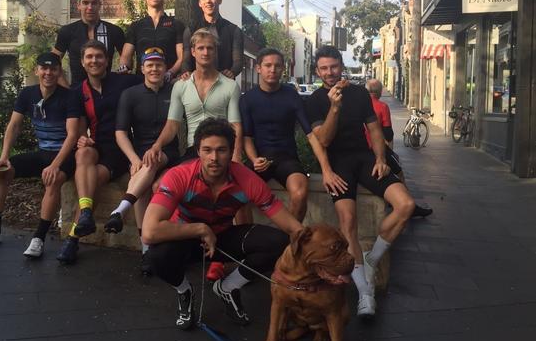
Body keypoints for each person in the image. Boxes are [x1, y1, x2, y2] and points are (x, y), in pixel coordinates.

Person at [142, 118, 304, 329]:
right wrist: (200, 229)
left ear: (231, 151)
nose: (214, 158)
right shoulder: (179, 176)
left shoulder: (247, 179)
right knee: (156, 256)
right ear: (198, 151)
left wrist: (318, 249)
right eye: (207, 150)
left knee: (280, 242)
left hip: (222, 237)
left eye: (221, 150)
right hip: (184, 238)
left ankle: (228, 287)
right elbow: (149, 231)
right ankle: (184, 291)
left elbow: (291, 226)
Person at [306, 46, 414, 319]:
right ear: (317, 71)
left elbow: (374, 129)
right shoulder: (316, 100)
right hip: (339, 163)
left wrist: (380, 158)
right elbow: (325, 140)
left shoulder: (360, 93)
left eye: (333, 66)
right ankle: (365, 293)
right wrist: (334, 107)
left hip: (364, 159)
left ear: (341, 66)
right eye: (324, 68)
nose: (330, 73)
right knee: (348, 223)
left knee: (406, 205)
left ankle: (372, 259)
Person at [0, 53, 79, 257]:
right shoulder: (28, 94)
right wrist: (4, 157)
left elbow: (72, 136)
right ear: (36, 71)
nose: (48, 73)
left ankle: (39, 238)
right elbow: (14, 125)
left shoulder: (70, 96)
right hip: (42, 153)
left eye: (53, 69)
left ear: (59, 72)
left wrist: (55, 165)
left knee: (52, 180)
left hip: (65, 155)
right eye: (44, 68)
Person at [56, 40, 141, 264]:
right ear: (83, 62)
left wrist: (180, 76)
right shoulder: (77, 91)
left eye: (99, 56)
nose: (94, 61)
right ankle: (85, 214)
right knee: (82, 154)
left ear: (107, 60)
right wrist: (82, 136)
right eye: (89, 57)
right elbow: (76, 125)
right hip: (93, 145)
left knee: (92, 181)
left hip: (118, 148)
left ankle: (73, 238)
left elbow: (153, 75)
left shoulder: (123, 82)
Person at [104, 47, 180, 274]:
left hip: (169, 152)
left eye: (159, 64)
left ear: (165, 68)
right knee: (143, 187)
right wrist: (133, 158)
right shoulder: (130, 94)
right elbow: (120, 133)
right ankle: (146, 250)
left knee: (151, 161)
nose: (154, 69)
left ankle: (120, 209)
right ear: (142, 68)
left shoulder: (174, 91)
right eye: (150, 64)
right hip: (139, 154)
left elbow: (174, 126)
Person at [240, 48, 321, 222]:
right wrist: (254, 159)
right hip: (259, 159)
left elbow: (310, 135)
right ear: (258, 68)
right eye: (268, 65)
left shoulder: (292, 95)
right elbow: (247, 138)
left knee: (299, 194)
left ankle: (289, 241)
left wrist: (326, 169)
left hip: (287, 159)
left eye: (277, 66)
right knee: (238, 195)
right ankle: (245, 240)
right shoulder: (248, 99)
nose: (272, 70)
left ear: (283, 69)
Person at [143, 28, 243, 166]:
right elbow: (172, 125)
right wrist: (157, 145)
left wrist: (236, 157)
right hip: (193, 152)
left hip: (220, 151)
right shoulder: (181, 86)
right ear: (193, 52)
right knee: (160, 184)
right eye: (201, 48)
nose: (206, 52)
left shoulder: (230, 86)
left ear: (215, 52)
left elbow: (235, 125)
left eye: (210, 48)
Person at [365, 79, 432, 218]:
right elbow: (388, 132)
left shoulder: (360, 105)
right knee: (399, 172)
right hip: (377, 148)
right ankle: (410, 207)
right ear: (379, 92)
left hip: (361, 149)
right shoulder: (382, 106)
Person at [52, 0, 126, 87]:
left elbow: (127, 59)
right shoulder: (67, 31)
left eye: (94, 3)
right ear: (78, 5)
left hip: (107, 92)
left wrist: (120, 81)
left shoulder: (114, 31)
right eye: (85, 3)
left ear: (100, 5)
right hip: (77, 93)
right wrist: (67, 90)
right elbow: (53, 62)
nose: (90, 7)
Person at [119, 0, 185, 79]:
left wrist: (170, 73)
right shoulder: (136, 26)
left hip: (169, 82)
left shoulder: (176, 24)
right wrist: (124, 68)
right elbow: (125, 56)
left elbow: (182, 57)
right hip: (141, 82)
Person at [182, 0, 244, 79]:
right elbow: (186, 60)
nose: (208, 1)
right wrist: (186, 72)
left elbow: (238, 61)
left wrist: (232, 72)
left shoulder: (234, 30)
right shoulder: (190, 30)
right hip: (197, 85)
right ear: (199, 3)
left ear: (220, 0)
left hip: (225, 84)